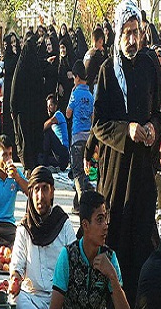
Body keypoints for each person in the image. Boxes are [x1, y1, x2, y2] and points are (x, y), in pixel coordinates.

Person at [92, 0, 161, 309]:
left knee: (143, 240)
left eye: (136, 32)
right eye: (127, 32)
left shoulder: (150, 66)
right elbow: (98, 125)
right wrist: (128, 130)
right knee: (116, 238)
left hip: (143, 174)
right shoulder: (108, 71)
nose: (133, 39)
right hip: (116, 173)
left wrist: (153, 128)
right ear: (118, 34)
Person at [9, 166, 76, 309]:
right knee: (14, 303)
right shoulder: (24, 228)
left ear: (52, 192)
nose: (40, 196)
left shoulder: (63, 223)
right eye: (36, 190)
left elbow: (75, 259)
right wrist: (15, 279)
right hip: (34, 300)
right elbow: (17, 264)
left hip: (61, 300)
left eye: (45, 189)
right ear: (30, 194)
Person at [10, 33, 46, 176]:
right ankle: (33, 164)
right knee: (32, 136)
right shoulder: (36, 67)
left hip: (23, 111)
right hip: (35, 112)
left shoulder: (21, 66)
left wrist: (13, 107)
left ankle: (27, 165)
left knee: (24, 137)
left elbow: (14, 87)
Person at [66, 60, 94, 212]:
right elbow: (92, 117)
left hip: (77, 137)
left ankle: (82, 203)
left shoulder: (75, 93)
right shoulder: (90, 95)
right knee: (85, 171)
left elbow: (68, 114)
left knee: (77, 172)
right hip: (88, 137)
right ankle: (77, 204)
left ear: (77, 77)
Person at [2, 32, 19, 160]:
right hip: (8, 91)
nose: (13, 45)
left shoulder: (17, 55)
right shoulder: (8, 57)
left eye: (15, 42)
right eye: (11, 42)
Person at [42, 93, 69, 171]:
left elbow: (45, 125)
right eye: (47, 106)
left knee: (48, 132)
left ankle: (45, 161)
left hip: (63, 154)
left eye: (50, 105)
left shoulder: (58, 114)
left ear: (55, 106)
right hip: (59, 155)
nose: (48, 109)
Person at [84, 27, 106, 94]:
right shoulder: (97, 53)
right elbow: (104, 67)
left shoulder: (88, 52)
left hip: (84, 84)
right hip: (93, 86)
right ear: (100, 40)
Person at [57, 37, 74, 116]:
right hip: (61, 94)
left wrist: (73, 74)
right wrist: (59, 84)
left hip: (70, 92)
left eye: (63, 47)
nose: (62, 50)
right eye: (60, 48)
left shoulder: (72, 59)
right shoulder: (58, 61)